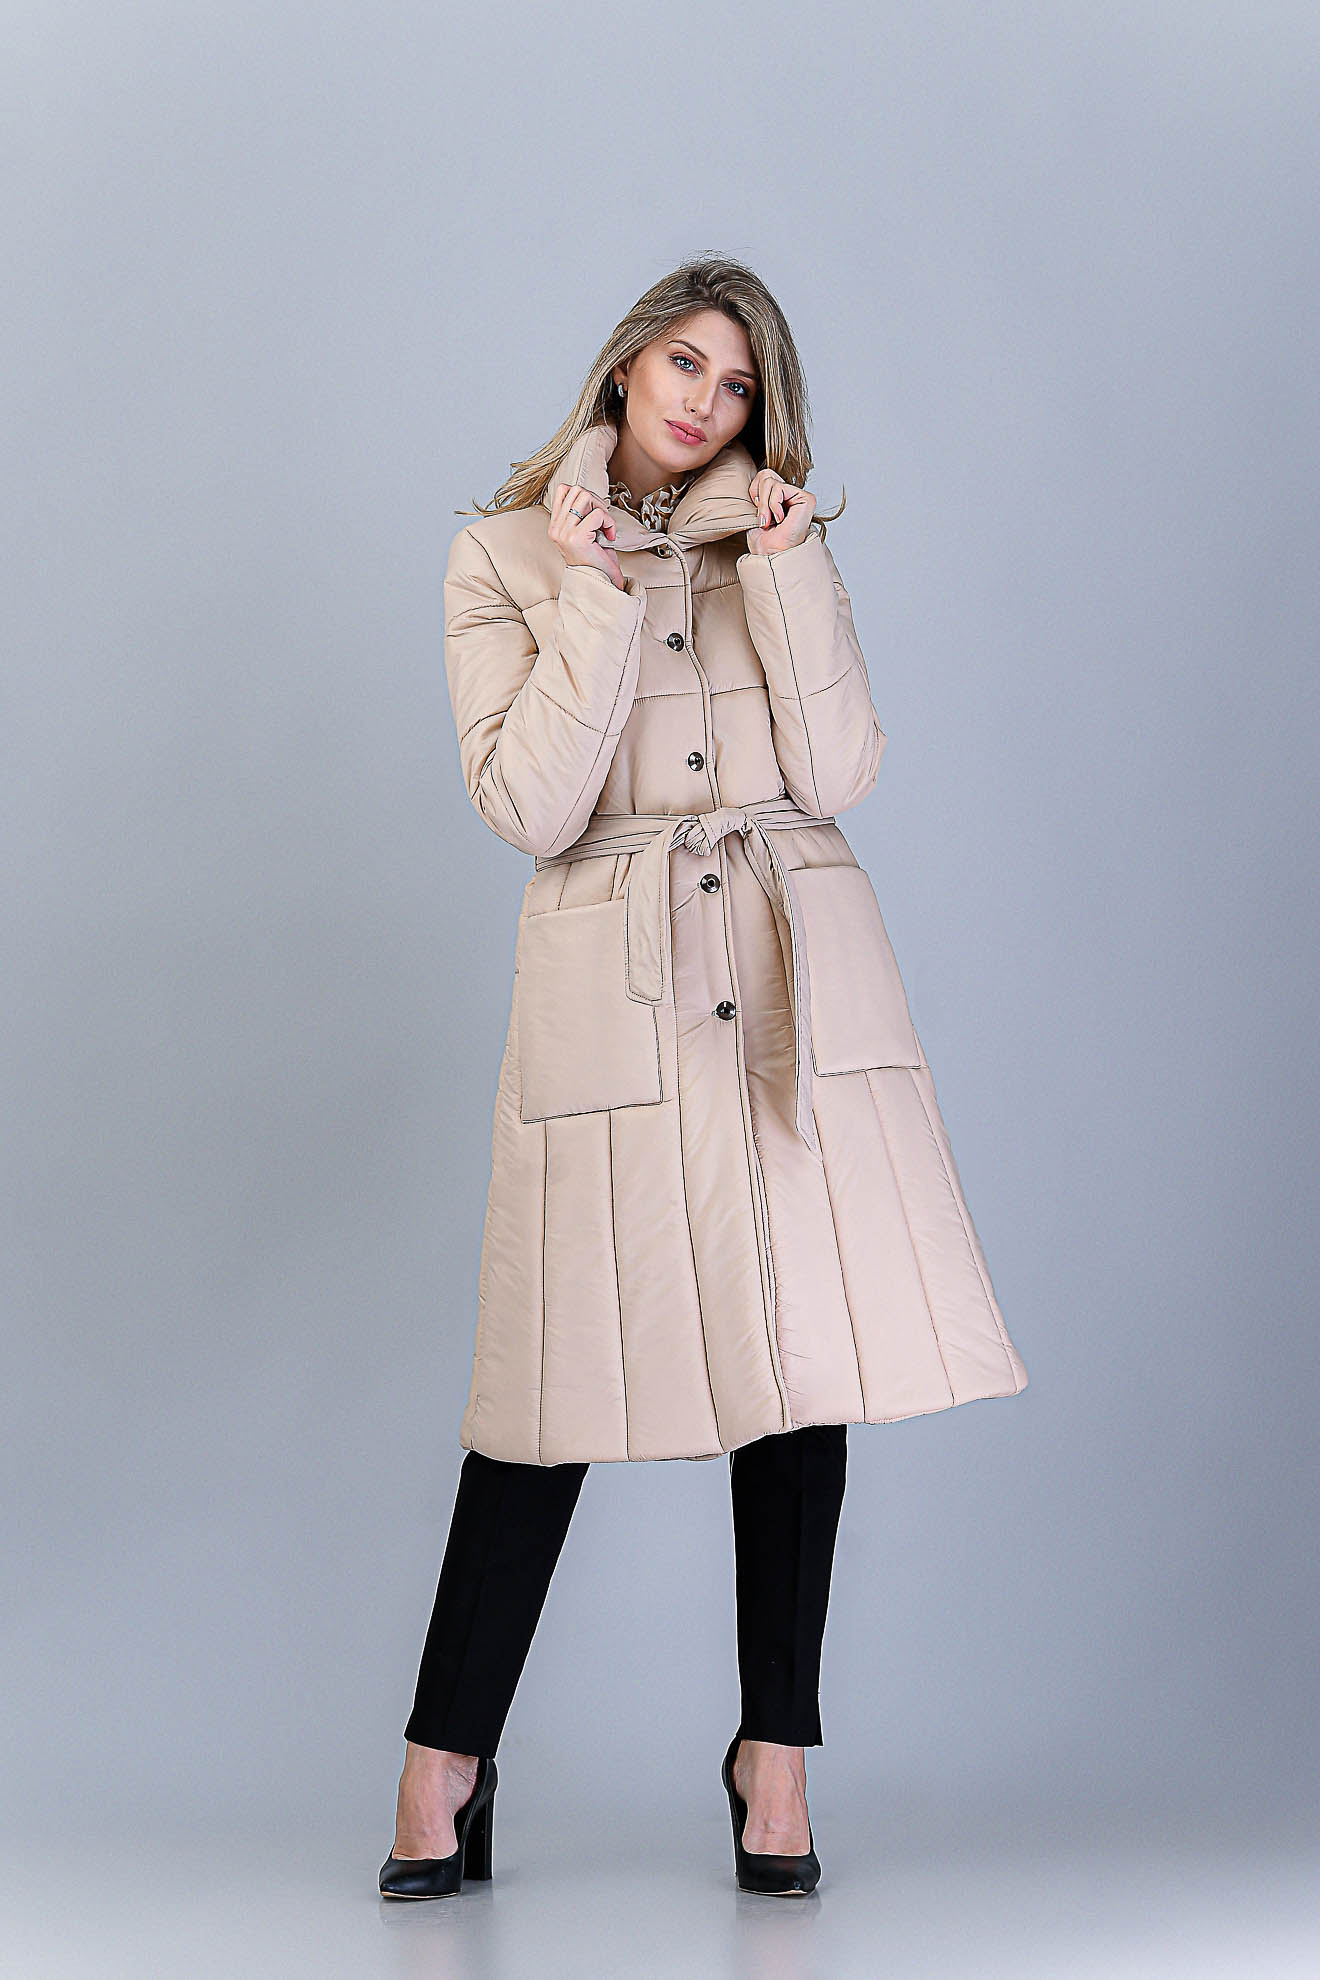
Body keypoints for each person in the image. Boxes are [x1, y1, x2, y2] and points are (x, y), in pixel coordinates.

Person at [379, 254, 1029, 1901]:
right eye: (684, 363)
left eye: (737, 384)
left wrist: (791, 577)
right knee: (546, 1385)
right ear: (624, 366)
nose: (705, 401)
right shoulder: (500, 556)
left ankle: (776, 1759)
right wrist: (594, 591)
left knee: (796, 1368)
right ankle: (445, 1761)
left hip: (785, 976)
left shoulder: (778, 545)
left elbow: (841, 771)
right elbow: (531, 809)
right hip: (615, 988)